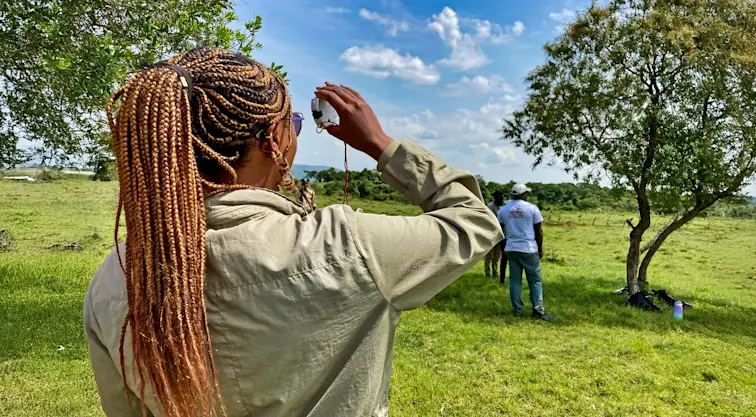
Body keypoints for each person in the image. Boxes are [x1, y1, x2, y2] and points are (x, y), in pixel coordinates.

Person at [83, 47, 503, 417]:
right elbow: (476, 221)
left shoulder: (116, 275)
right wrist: (380, 143)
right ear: (272, 142)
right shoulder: (347, 245)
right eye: (293, 125)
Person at [497, 183, 554, 321]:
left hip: (511, 248)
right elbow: (538, 231)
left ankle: (517, 310)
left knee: (515, 280)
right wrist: (540, 249)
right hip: (528, 248)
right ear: (523, 194)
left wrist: (503, 248)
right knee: (534, 280)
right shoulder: (532, 208)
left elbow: (500, 232)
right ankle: (538, 311)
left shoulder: (503, 210)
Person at [484, 191, 505, 279]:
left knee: (496, 255)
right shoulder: (490, 206)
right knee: (489, 255)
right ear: (496, 198)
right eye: (500, 198)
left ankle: (495, 272)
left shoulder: (502, 207)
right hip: (490, 233)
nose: (502, 200)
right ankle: (488, 272)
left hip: (499, 234)